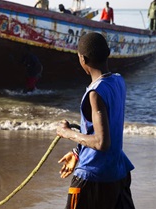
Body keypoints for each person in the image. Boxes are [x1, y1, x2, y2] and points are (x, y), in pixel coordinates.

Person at [56, 32, 135, 209]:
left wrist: (67, 133)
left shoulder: (95, 92)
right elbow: (105, 129)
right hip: (117, 172)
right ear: (107, 53)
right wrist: (77, 153)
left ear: (83, 59)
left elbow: (101, 142)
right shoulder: (118, 80)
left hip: (93, 177)